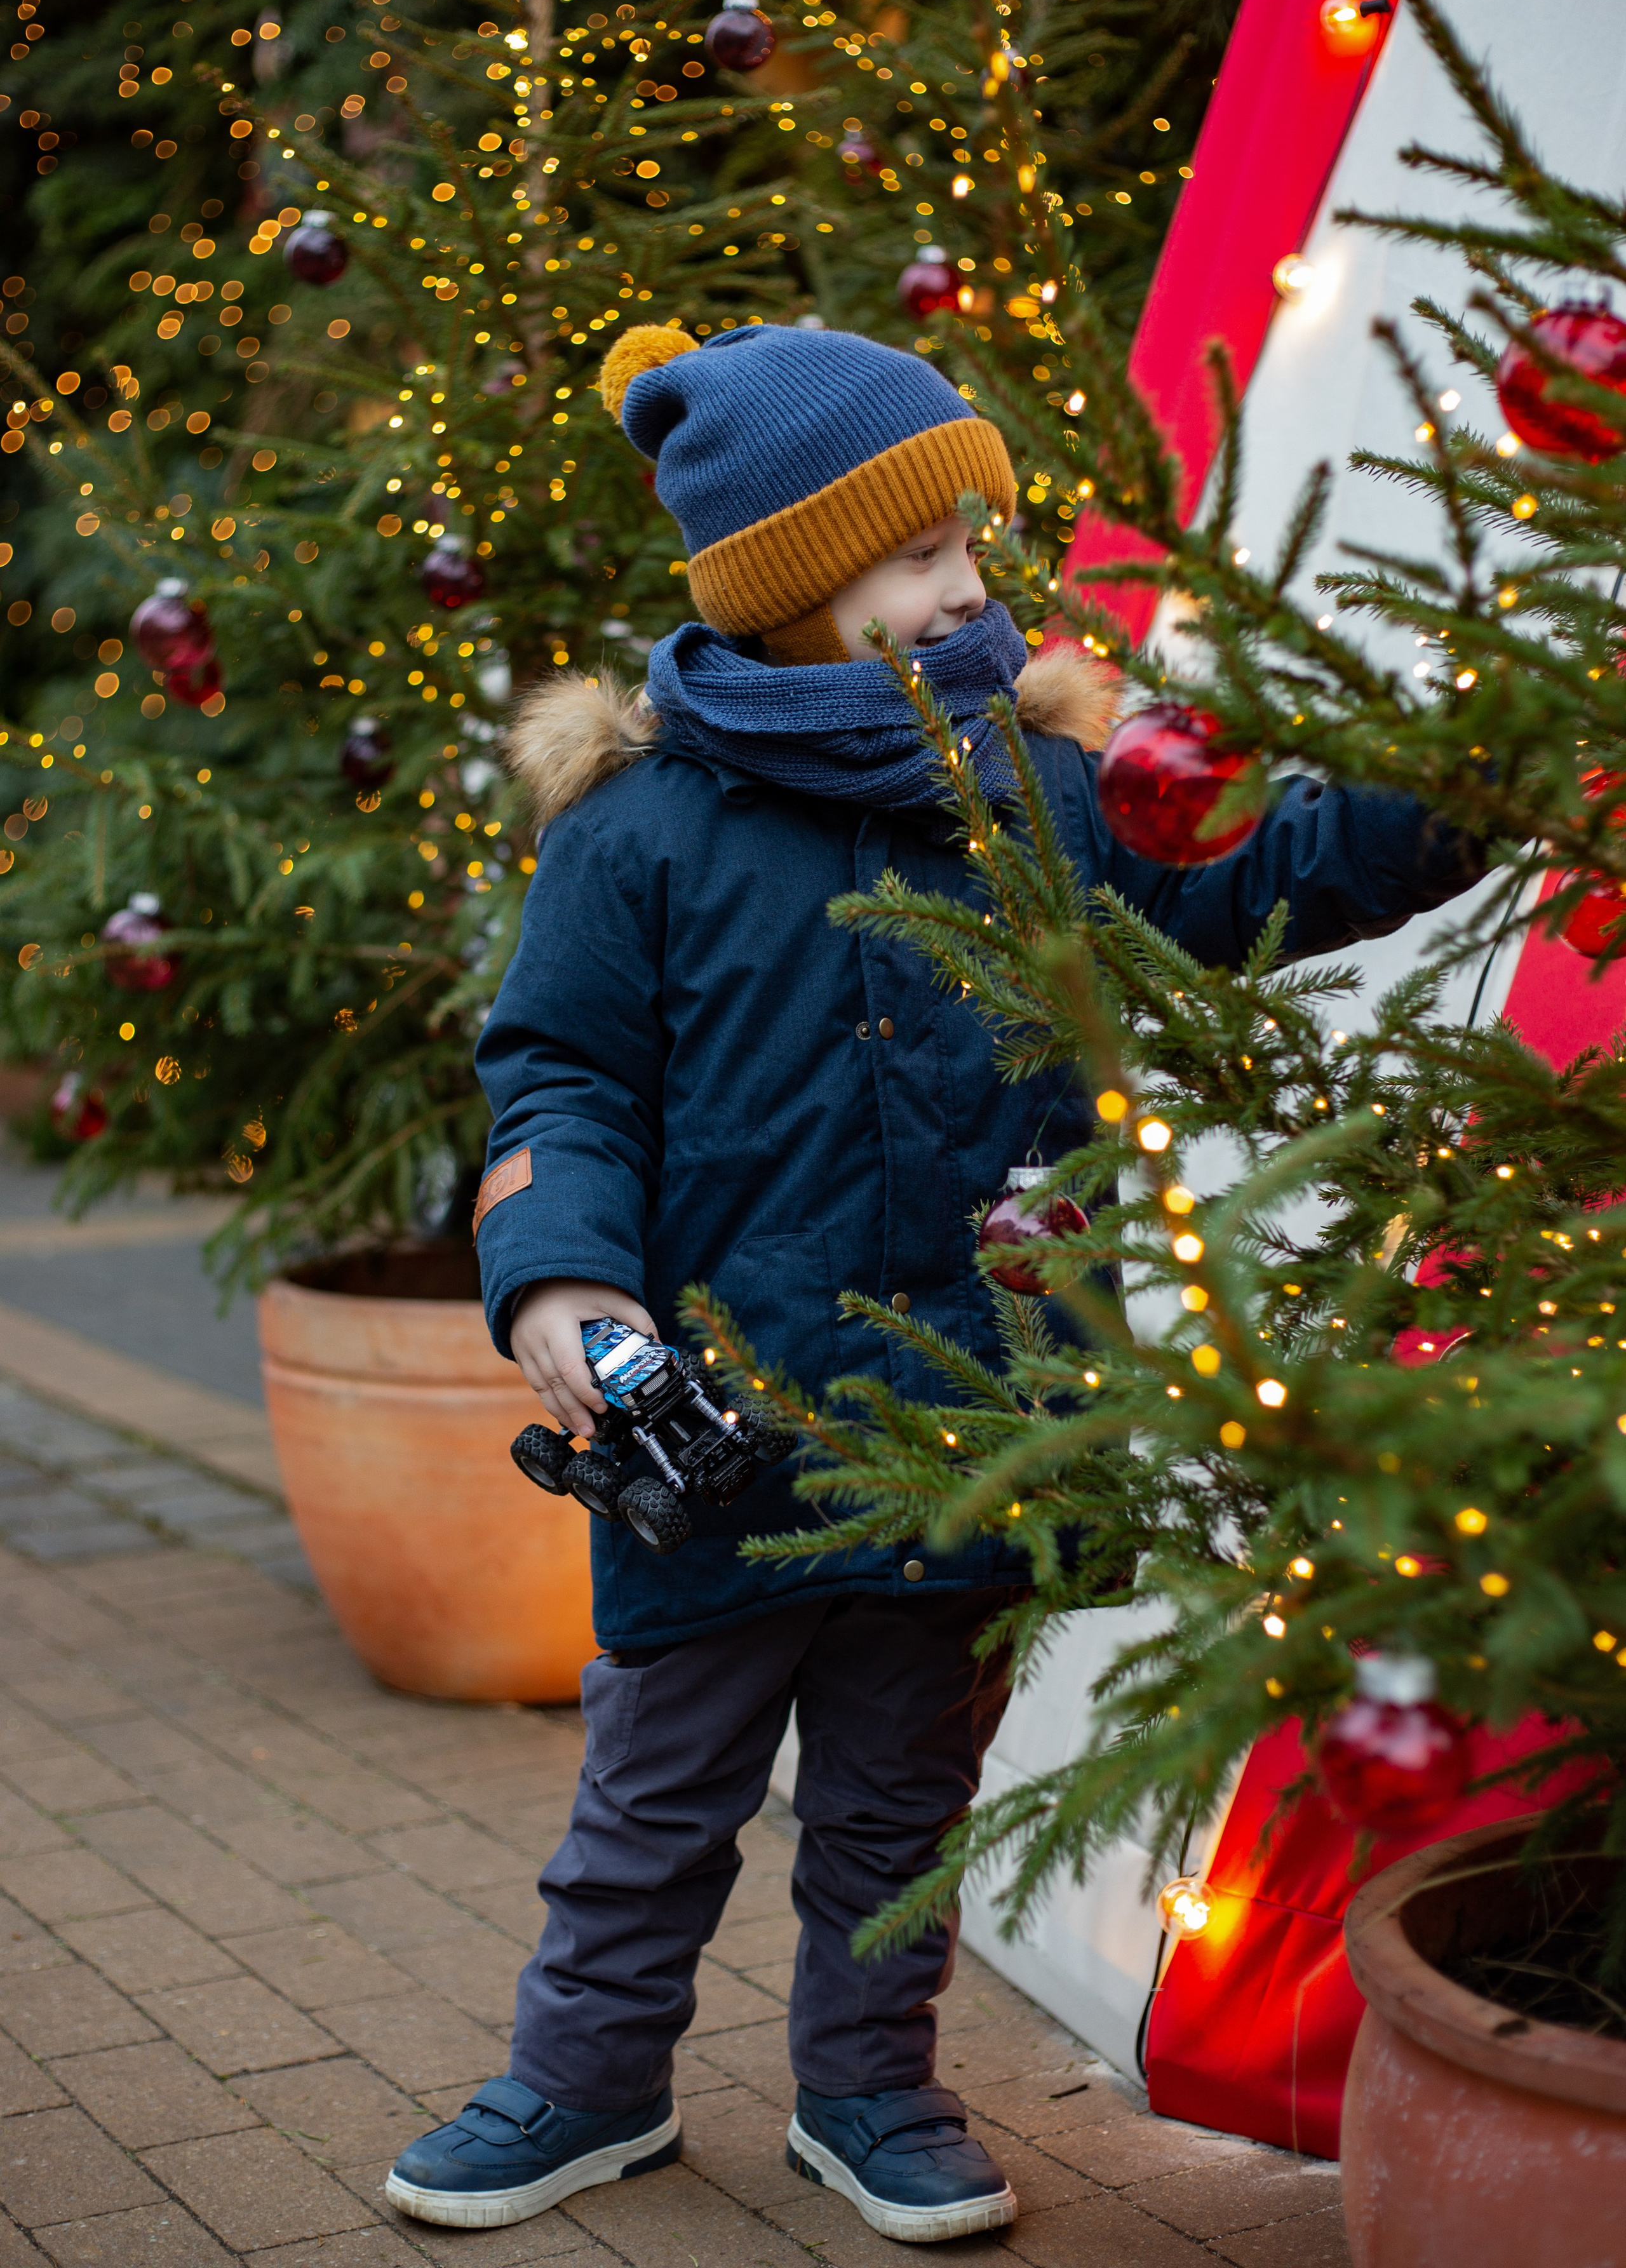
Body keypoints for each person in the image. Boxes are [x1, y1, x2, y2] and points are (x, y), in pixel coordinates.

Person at [385, 322, 1482, 2240]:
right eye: (920, 555)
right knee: (656, 1802)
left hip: (978, 1411)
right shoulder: (638, 835)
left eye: (972, 541)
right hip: (719, 1426)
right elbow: (559, 1080)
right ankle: (585, 2082)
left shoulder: (1049, 792)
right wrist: (559, 1282)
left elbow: (1251, 876)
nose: (973, 584)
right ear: (795, 585)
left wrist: (1464, 778)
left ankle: (873, 2091)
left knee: (901, 1805)